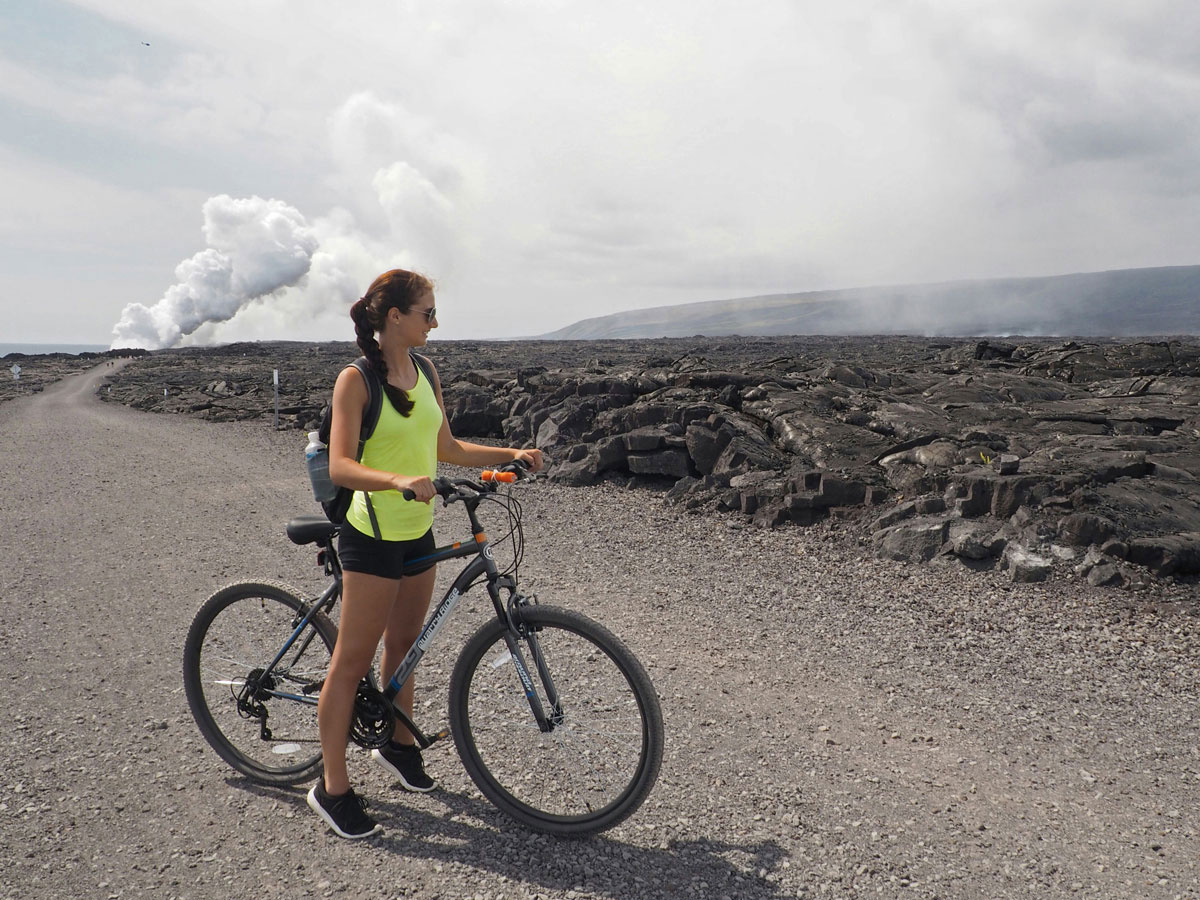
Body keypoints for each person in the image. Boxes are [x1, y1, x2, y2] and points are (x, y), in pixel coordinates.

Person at [307, 269, 543, 839]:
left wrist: (511, 452)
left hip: (416, 530)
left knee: (406, 643)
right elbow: (341, 465)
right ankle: (331, 787)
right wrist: (397, 480)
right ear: (395, 317)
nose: (435, 322)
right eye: (427, 313)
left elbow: (447, 448)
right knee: (350, 662)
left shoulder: (426, 370)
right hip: (371, 534)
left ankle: (399, 744)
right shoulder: (355, 381)